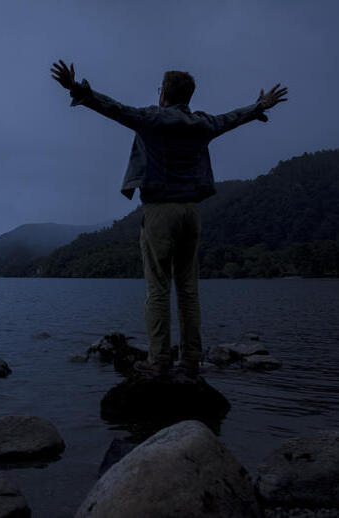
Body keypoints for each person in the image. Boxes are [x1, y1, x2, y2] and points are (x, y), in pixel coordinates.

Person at [51, 60, 287, 378]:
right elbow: (233, 119)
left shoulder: (151, 119)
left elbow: (112, 108)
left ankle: (160, 359)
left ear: (164, 93)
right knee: (188, 288)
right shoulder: (203, 123)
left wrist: (75, 88)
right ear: (188, 96)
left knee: (159, 287)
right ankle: (190, 359)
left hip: (160, 211)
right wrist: (259, 105)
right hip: (191, 212)